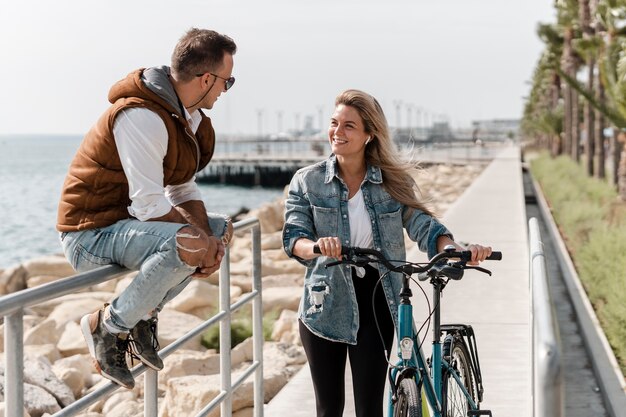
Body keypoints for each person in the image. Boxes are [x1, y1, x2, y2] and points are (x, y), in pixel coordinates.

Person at [282, 89, 492, 417]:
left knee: (369, 408)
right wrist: (317, 246)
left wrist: (451, 248)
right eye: (334, 123)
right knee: (329, 409)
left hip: (376, 299)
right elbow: (294, 237)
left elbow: (422, 224)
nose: (337, 131)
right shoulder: (307, 182)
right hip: (324, 302)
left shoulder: (391, 183)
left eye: (349, 125)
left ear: (369, 134)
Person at [56, 28, 237, 389]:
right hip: (89, 234)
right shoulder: (142, 115)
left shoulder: (189, 117)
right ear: (206, 78)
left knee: (219, 230)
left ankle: (143, 316)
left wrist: (210, 242)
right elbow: (150, 205)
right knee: (190, 243)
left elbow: (182, 186)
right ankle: (108, 327)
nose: (225, 90)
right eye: (226, 81)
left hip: (125, 227)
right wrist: (200, 246)